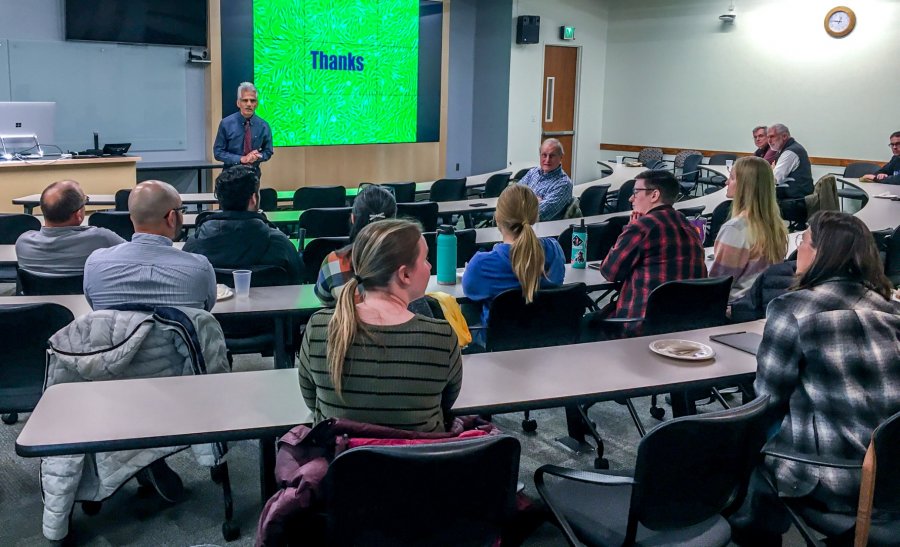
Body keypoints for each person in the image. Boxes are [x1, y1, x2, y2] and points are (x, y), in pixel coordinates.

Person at [733, 211, 900, 545]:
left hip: (840, 478)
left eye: (804, 242)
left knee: (744, 444)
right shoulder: (890, 309)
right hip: (891, 473)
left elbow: (766, 399)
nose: (798, 251)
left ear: (823, 254)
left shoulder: (792, 309)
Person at [298, 218, 463, 433]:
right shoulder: (441, 337)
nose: (430, 266)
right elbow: (444, 403)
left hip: (342, 463)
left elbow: (312, 401)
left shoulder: (319, 329)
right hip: (420, 463)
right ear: (404, 274)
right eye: (425, 259)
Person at [84, 180, 216, 311]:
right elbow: (205, 312)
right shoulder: (200, 269)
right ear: (172, 218)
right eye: (181, 210)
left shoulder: (94, 264)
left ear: (132, 218)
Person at [599, 170, 707, 319]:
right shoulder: (688, 225)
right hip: (685, 322)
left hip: (640, 324)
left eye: (636, 192)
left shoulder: (641, 227)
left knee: (586, 324)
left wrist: (628, 230)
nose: (631, 198)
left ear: (654, 195)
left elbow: (609, 272)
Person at [462, 184, 565, 337]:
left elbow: (470, 291)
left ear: (497, 218)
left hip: (496, 346)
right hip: (544, 341)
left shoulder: (481, 265)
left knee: (467, 306)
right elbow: (558, 282)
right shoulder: (554, 250)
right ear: (535, 217)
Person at [183, 165, 302, 282]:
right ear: (253, 199)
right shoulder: (280, 244)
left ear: (220, 199)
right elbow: (298, 280)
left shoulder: (194, 246)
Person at [709, 156, 788, 302]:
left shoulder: (735, 229)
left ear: (745, 186)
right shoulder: (777, 226)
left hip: (734, 308)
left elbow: (717, 284)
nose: (726, 182)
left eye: (731, 178)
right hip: (761, 303)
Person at [15, 180, 123, 275]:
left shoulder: (23, 242)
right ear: (78, 215)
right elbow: (133, 254)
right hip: (85, 298)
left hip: (37, 297)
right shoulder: (101, 238)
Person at [315, 184, 398, 306]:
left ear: (353, 219)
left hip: (351, 324)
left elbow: (324, 299)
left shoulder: (333, 262)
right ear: (395, 220)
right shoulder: (409, 258)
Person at [213, 82, 274, 174]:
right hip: (230, 176)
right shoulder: (226, 123)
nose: (249, 104)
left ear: (256, 104)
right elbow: (218, 152)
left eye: (252, 101)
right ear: (238, 103)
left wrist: (258, 156)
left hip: (253, 175)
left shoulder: (264, 126)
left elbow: (268, 151)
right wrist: (241, 159)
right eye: (245, 100)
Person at [518, 138, 574, 221]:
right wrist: (534, 200)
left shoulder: (564, 184)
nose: (547, 160)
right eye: (544, 155)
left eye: (552, 156)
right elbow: (512, 194)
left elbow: (537, 214)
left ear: (561, 157)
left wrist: (523, 198)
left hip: (541, 229)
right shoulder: (533, 172)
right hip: (518, 221)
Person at [767, 123, 813, 199]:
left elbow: (774, 179)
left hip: (794, 202)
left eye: (772, 136)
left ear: (784, 136)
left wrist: (772, 171)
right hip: (794, 199)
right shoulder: (785, 149)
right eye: (768, 137)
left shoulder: (790, 152)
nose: (769, 141)